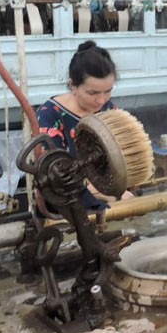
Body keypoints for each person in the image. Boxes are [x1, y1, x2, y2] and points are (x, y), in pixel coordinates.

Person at [37, 40, 133, 209]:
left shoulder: (109, 110)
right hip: (65, 205)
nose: (101, 100)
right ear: (73, 86)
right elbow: (54, 179)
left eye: (108, 91)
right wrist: (99, 192)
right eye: (92, 93)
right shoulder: (50, 115)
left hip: (110, 194)